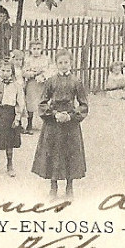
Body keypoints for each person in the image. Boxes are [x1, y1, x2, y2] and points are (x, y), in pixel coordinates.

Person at [31, 49, 88, 199]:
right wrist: (54, 114)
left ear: (71, 63)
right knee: (53, 154)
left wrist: (71, 116)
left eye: (66, 62)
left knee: (70, 154)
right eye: (60, 63)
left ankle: (70, 188)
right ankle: (53, 188)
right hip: (54, 123)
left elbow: (83, 105)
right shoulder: (51, 81)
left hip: (70, 123)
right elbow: (42, 103)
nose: (63, 65)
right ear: (56, 64)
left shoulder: (76, 82)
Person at [21, 40, 51, 134]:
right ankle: (29, 124)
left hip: (42, 84)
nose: (36, 51)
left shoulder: (45, 59)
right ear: (30, 49)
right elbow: (24, 72)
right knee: (31, 103)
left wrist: (43, 76)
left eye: (38, 49)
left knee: (42, 102)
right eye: (34, 49)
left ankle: (45, 124)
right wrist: (33, 73)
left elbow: (50, 70)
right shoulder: (28, 60)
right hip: (32, 84)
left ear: (42, 49)